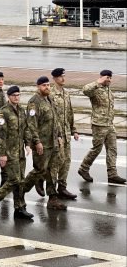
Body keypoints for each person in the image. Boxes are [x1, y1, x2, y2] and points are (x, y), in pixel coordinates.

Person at [0, 86, 33, 220]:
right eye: (14, 95)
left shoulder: (21, 111)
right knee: (14, 180)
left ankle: (20, 208)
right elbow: (1, 136)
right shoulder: (3, 112)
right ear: (9, 97)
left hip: (19, 152)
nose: (16, 97)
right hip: (9, 152)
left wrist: (28, 144)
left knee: (20, 182)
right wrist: (2, 154)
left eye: (18, 95)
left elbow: (25, 129)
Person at [23, 76, 67, 210]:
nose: (47, 87)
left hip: (52, 143)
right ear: (38, 86)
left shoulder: (49, 99)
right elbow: (31, 125)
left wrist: (59, 135)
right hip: (42, 144)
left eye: (48, 85)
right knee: (40, 170)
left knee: (52, 171)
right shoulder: (34, 102)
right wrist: (36, 142)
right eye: (44, 85)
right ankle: (20, 190)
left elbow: (55, 119)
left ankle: (53, 199)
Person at [78, 70, 126, 184]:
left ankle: (112, 174)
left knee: (112, 149)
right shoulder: (95, 89)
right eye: (106, 78)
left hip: (109, 124)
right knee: (97, 149)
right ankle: (83, 168)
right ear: (101, 77)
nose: (108, 80)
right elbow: (85, 90)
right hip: (99, 124)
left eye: (110, 78)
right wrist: (98, 82)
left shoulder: (108, 90)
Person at [49, 68, 79, 200]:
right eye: (61, 77)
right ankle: (51, 189)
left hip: (66, 134)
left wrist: (74, 130)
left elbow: (70, 113)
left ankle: (62, 187)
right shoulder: (50, 94)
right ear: (55, 78)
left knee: (66, 161)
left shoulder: (66, 94)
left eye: (64, 76)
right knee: (56, 162)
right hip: (55, 135)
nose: (63, 79)